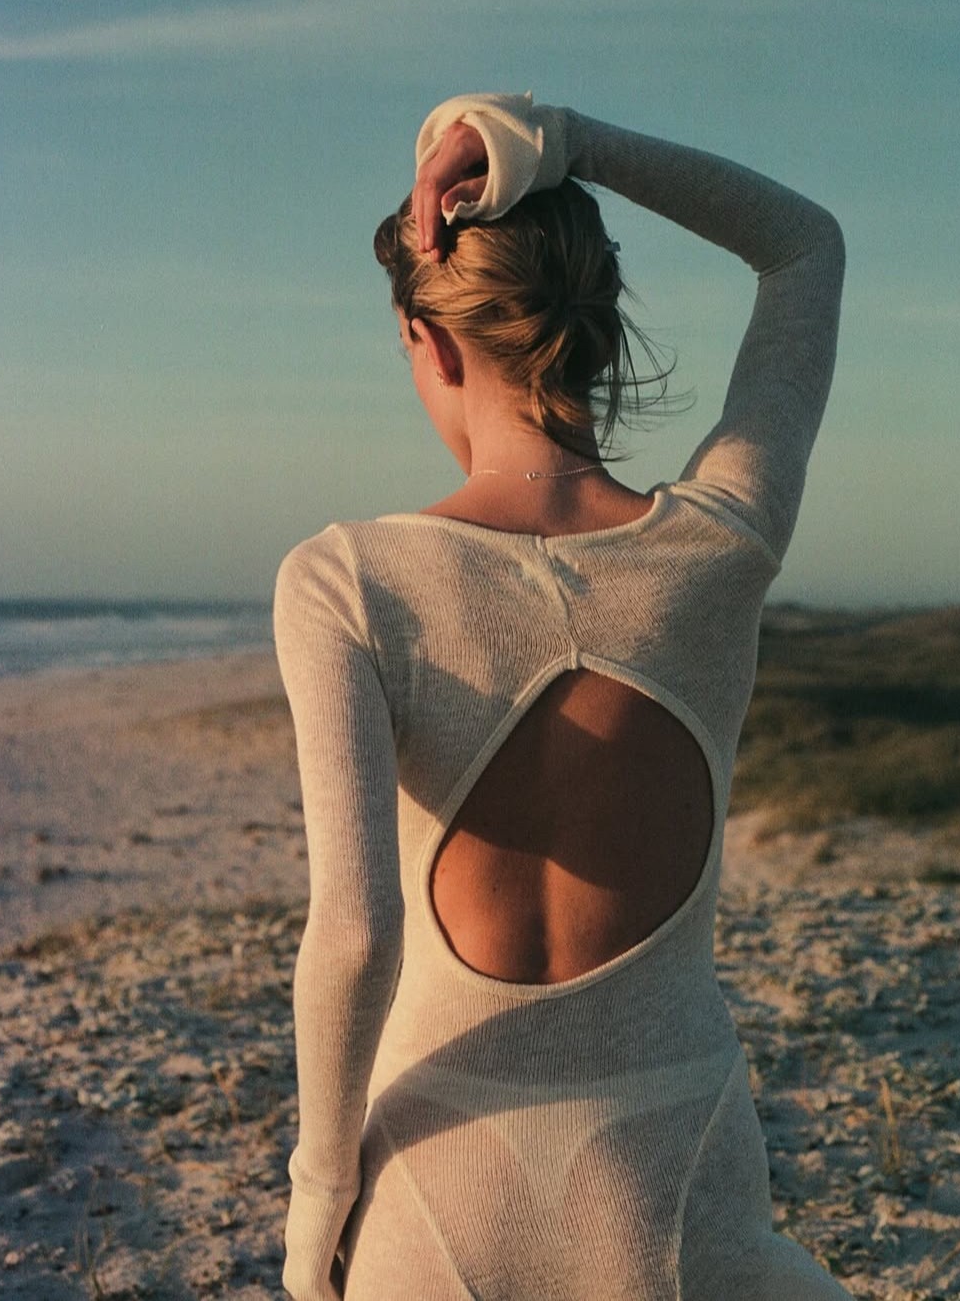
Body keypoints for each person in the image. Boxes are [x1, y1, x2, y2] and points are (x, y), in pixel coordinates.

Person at [274, 92, 849, 1299]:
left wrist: (319, 1202)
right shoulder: (721, 543)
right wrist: (565, 139)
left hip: (434, 1187)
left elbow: (357, 936)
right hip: (668, 1181)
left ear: (430, 344)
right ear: (594, 326)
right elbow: (804, 246)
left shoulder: (347, 581)